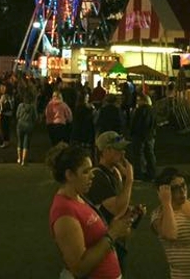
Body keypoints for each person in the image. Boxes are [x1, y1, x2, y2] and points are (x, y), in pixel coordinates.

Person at [47, 143, 131, 279]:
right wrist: (113, 234)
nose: (92, 175)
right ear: (69, 175)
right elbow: (79, 267)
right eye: (85, 171)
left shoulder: (79, 198)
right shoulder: (64, 211)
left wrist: (117, 225)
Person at [87, 131, 138, 272]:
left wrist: (133, 212)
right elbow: (117, 208)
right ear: (106, 150)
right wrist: (130, 180)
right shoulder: (98, 176)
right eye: (118, 149)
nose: (123, 154)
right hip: (103, 242)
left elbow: (123, 204)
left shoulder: (114, 172)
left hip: (115, 240)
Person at [151, 167, 190, 279]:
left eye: (183, 185)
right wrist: (166, 203)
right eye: (175, 188)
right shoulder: (159, 214)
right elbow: (171, 235)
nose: (182, 191)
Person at [129, 94, 156, 182]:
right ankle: (151, 173)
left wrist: (132, 132)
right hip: (150, 136)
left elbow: (136, 123)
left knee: (138, 155)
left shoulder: (140, 110)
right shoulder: (152, 110)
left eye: (139, 100)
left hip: (139, 136)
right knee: (150, 155)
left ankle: (139, 174)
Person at [70, 91, 96, 161]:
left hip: (80, 131)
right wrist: (92, 112)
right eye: (86, 97)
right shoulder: (83, 108)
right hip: (85, 131)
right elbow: (87, 118)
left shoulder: (78, 107)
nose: (87, 99)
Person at [15, 92, 38, 166]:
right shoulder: (33, 107)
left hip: (20, 124)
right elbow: (35, 117)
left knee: (19, 142)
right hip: (29, 126)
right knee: (26, 143)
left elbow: (17, 115)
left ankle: (19, 158)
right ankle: (24, 161)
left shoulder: (20, 106)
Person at [0, 83, 14, 148]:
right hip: (10, 114)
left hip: (4, 114)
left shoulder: (4, 96)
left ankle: (5, 142)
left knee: (4, 128)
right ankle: (7, 141)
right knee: (7, 129)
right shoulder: (11, 96)